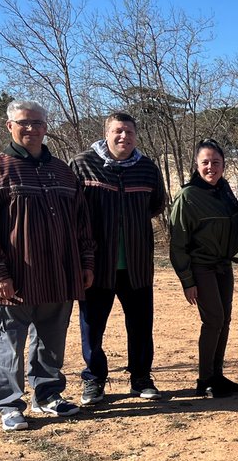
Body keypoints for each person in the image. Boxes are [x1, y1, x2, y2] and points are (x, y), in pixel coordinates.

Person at [0, 100, 95, 431]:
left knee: (51, 340)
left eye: (37, 123)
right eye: (24, 123)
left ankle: (48, 394)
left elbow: (82, 223)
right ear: (9, 126)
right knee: (10, 342)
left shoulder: (64, 172)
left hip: (59, 276)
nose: (31, 128)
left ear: (46, 127)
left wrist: (86, 262)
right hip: (14, 279)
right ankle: (9, 404)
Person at [71, 112, 167, 405]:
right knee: (92, 326)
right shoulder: (83, 164)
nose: (123, 136)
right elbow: (74, 212)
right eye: (118, 131)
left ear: (136, 135)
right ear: (106, 133)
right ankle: (95, 380)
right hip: (96, 265)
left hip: (136, 266)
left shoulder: (148, 168)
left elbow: (155, 204)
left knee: (140, 326)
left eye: (129, 132)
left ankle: (140, 378)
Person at [169, 139, 238, 398]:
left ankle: (217, 374)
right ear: (196, 165)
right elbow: (178, 243)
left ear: (223, 165)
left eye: (216, 162)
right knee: (213, 320)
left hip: (224, 266)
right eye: (205, 162)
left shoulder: (224, 191)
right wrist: (187, 280)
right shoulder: (188, 196)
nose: (211, 167)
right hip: (201, 266)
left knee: (225, 320)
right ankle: (204, 379)